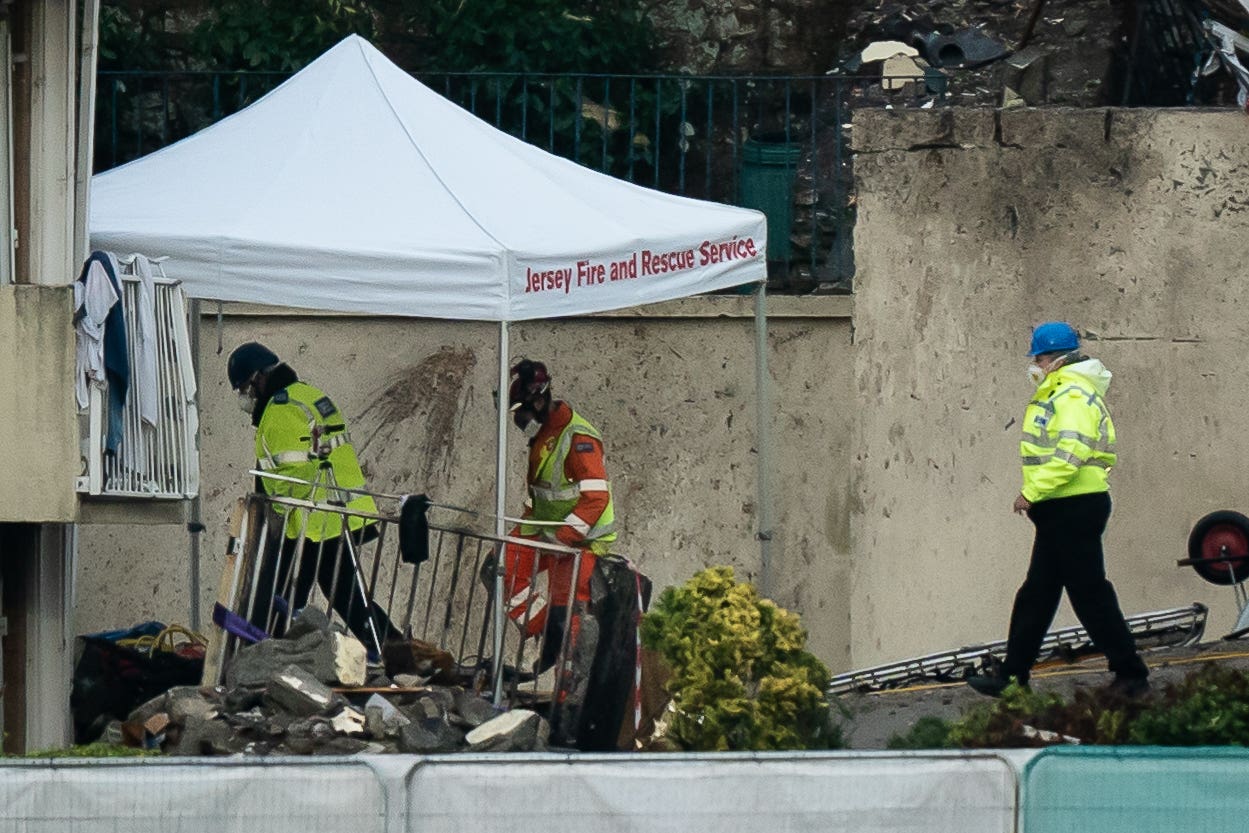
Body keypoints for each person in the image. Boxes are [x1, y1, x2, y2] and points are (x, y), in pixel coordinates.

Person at [967, 322, 1150, 698]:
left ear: (1055, 358)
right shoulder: (1062, 391)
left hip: (1072, 505)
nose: (1035, 363)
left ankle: (1131, 673)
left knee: (1088, 594)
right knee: (1039, 593)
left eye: (1040, 356)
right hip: (1063, 507)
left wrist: (1031, 492)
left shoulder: (1070, 394)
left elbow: (1071, 453)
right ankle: (1012, 676)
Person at [227, 341, 396, 657]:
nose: (245, 398)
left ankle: (264, 658)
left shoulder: (280, 410)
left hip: (311, 518)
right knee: (340, 594)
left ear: (258, 378)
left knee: (284, 594)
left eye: (244, 389)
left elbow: (295, 477)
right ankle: (399, 652)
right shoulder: (307, 395)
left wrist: (274, 518)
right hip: (332, 512)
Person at [498, 359, 616, 673]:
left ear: (540, 400)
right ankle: (544, 628)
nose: (519, 419)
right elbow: (543, 494)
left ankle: (568, 691)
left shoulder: (578, 438)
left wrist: (563, 538)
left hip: (578, 541)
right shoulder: (545, 435)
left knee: (571, 619)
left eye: (521, 410)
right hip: (545, 532)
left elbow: (596, 498)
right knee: (500, 568)